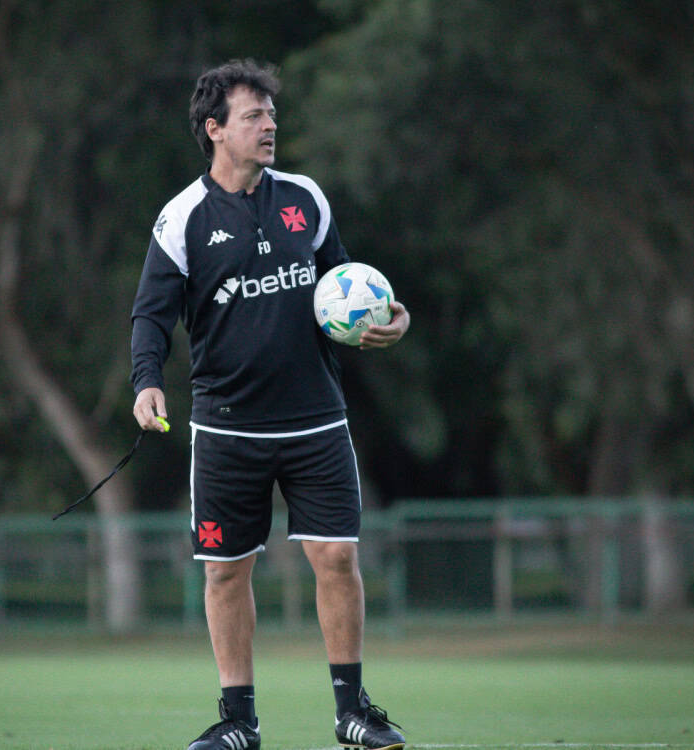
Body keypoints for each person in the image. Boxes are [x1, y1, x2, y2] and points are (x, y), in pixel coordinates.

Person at [129, 59, 410, 750]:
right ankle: (239, 722)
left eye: (271, 114)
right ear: (214, 129)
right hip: (225, 430)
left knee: (336, 560)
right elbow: (150, 316)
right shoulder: (181, 219)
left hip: (317, 421)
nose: (269, 125)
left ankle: (352, 712)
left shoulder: (305, 199)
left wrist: (390, 321)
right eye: (254, 115)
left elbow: (348, 289)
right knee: (226, 572)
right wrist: (146, 381)